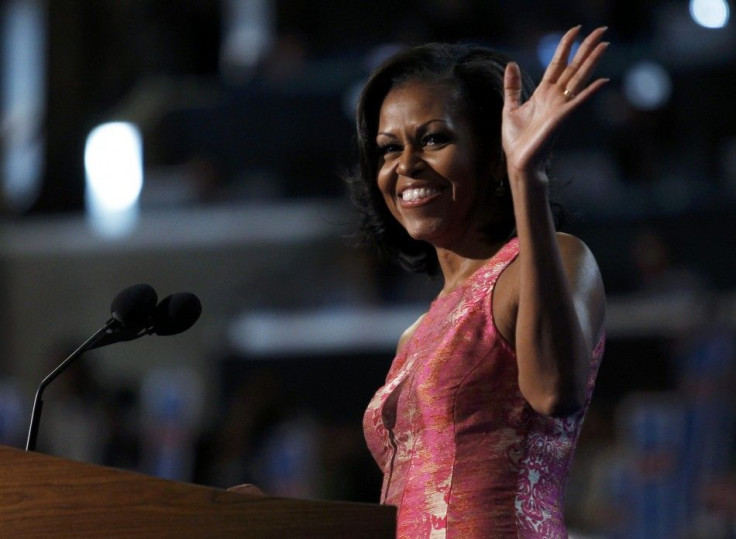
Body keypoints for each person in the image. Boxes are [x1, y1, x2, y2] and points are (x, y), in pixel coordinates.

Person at [352, 26, 608, 537]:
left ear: (492, 156)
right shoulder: (415, 335)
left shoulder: (556, 259)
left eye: (433, 139)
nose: (405, 165)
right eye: (387, 148)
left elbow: (555, 390)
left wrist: (526, 176)